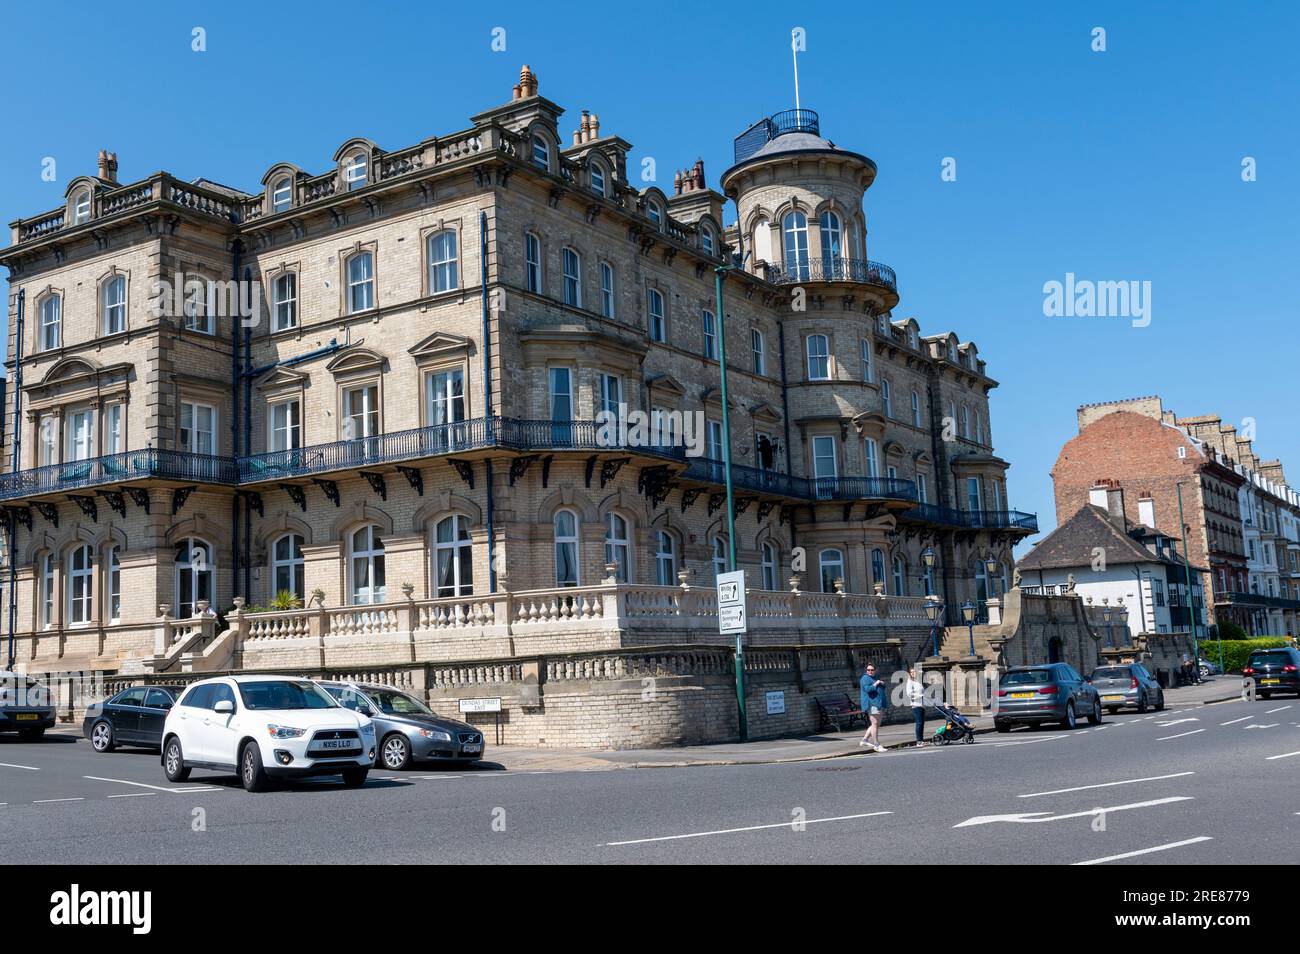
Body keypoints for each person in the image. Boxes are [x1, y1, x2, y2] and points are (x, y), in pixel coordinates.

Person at [859, 662, 886, 752]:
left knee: (876, 724)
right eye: (868, 670)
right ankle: (876, 745)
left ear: (875, 670)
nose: (870, 671)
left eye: (872, 670)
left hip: (878, 703)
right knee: (874, 724)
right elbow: (868, 689)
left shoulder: (875, 677)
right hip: (872, 704)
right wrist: (876, 683)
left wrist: (881, 682)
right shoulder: (865, 678)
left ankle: (864, 740)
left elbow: (882, 687)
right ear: (866, 671)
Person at [905, 667, 926, 744]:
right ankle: (919, 741)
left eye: (914, 672)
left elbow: (922, 691)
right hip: (916, 705)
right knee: (919, 723)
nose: (913, 673)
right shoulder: (910, 682)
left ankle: (921, 740)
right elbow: (909, 694)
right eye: (912, 672)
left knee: (922, 723)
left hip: (922, 705)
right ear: (910, 674)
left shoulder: (918, 681)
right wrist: (920, 695)